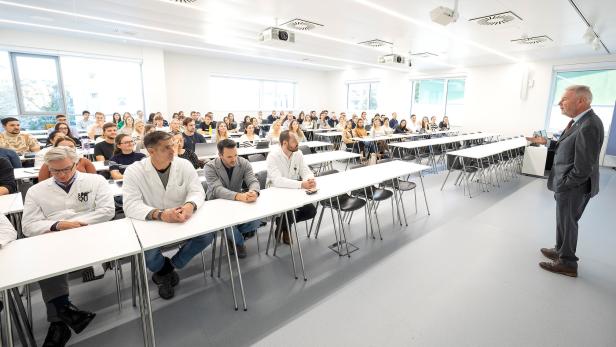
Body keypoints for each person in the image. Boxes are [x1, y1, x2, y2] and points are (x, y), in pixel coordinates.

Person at [22, 146, 114, 346]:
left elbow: (107, 211)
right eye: (55, 171)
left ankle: (61, 318)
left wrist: (77, 223)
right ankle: (63, 317)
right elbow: (28, 226)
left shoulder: (95, 181)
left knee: (49, 259)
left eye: (66, 169)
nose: (62, 175)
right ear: (48, 168)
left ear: (76, 163)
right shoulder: (36, 191)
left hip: (91, 234)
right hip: (55, 238)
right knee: (45, 262)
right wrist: (57, 225)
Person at [526, 85, 604, 277]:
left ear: (581, 101)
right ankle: (561, 250)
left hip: (573, 187)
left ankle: (567, 263)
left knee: (568, 223)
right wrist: (548, 143)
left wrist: (564, 184)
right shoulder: (578, 122)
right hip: (569, 186)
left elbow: (583, 167)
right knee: (564, 221)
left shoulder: (589, 125)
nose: (560, 103)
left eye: (564, 99)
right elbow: (568, 147)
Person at [123, 131, 212, 300]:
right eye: (166, 148)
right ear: (151, 151)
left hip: (182, 217)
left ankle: (170, 266)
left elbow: (196, 191)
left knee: (207, 236)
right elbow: (130, 205)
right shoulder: (134, 171)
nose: (173, 150)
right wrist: (161, 215)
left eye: (173, 144)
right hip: (152, 221)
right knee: (148, 255)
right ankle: (163, 271)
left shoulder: (184, 165)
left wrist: (189, 205)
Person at [204, 139, 262, 258]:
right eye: (229, 156)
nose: (234, 159)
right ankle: (238, 242)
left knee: (257, 221)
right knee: (229, 227)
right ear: (220, 155)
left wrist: (254, 192)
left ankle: (234, 236)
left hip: (237, 202)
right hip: (216, 203)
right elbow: (217, 190)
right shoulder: (210, 167)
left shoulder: (244, 162)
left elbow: (253, 180)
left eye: (236, 155)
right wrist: (239, 196)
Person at [266, 131, 317, 244]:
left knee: (311, 211)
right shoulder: (273, 156)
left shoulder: (298, 153)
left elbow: (305, 170)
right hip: (276, 191)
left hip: (294, 190)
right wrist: (301, 184)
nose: (297, 143)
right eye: (294, 141)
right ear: (284, 143)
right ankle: (286, 228)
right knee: (289, 212)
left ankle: (282, 224)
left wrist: (309, 179)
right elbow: (277, 181)